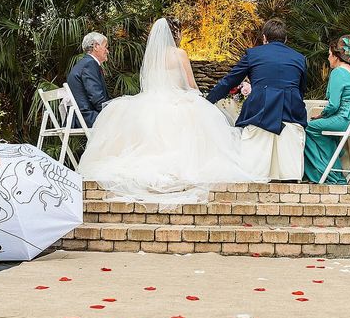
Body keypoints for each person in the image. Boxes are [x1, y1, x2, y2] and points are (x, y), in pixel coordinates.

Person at [76, 18, 262, 203]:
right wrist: (201, 97)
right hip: (176, 100)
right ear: (176, 34)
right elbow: (190, 85)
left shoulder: (153, 57)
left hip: (152, 101)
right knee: (200, 119)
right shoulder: (179, 53)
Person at [206, 18, 308, 180]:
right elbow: (301, 89)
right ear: (285, 39)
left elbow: (229, 81)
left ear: (264, 38)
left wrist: (208, 101)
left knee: (250, 171)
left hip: (260, 111)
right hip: (291, 111)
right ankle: (289, 177)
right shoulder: (299, 58)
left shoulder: (253, 54)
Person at [304, 35, 350, 184]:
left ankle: (329, 174)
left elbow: (334, 105)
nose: (328, 59)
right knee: (325, 133)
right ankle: (332, 166)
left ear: (336, 56)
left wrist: (322, 115)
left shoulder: (338, 72)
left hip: (346, 119)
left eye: (329, 55)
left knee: (309, 128)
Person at [66, 32, 111, 128]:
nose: (107, 51)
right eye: (105, 47)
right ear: (96, 46)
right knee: (127, 121)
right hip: (87, 117)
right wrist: (115, 111)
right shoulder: (89, 64)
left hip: (78, 117)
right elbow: (97, 98)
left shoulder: (83, 63)